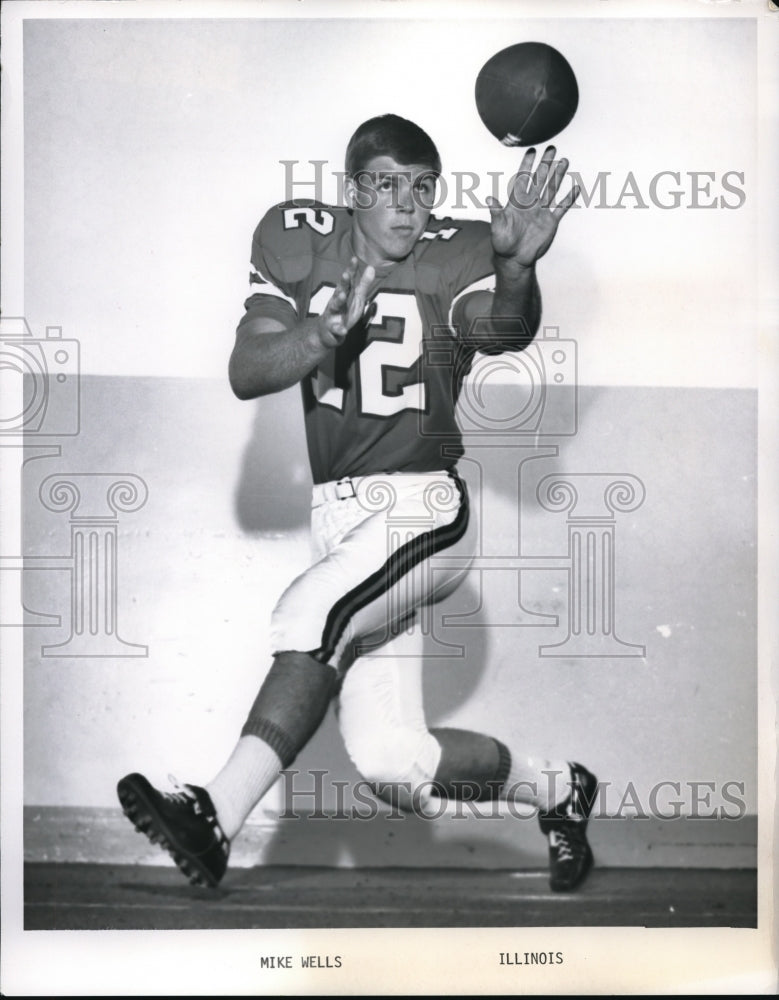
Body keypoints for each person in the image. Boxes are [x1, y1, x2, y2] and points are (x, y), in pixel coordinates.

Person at [117, 114, 597, 894]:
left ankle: (213, 814)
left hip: (424, 507)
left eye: (420, 189)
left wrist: (515, 269)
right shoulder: (299, 240)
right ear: (351, 193)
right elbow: (247, 369)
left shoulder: (454, 253)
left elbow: (503, 328)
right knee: (392, 762)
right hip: (341, 516)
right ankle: (559, 788)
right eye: (385, 187)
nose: (406, 207)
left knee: (309, 614)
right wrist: (319, 334)